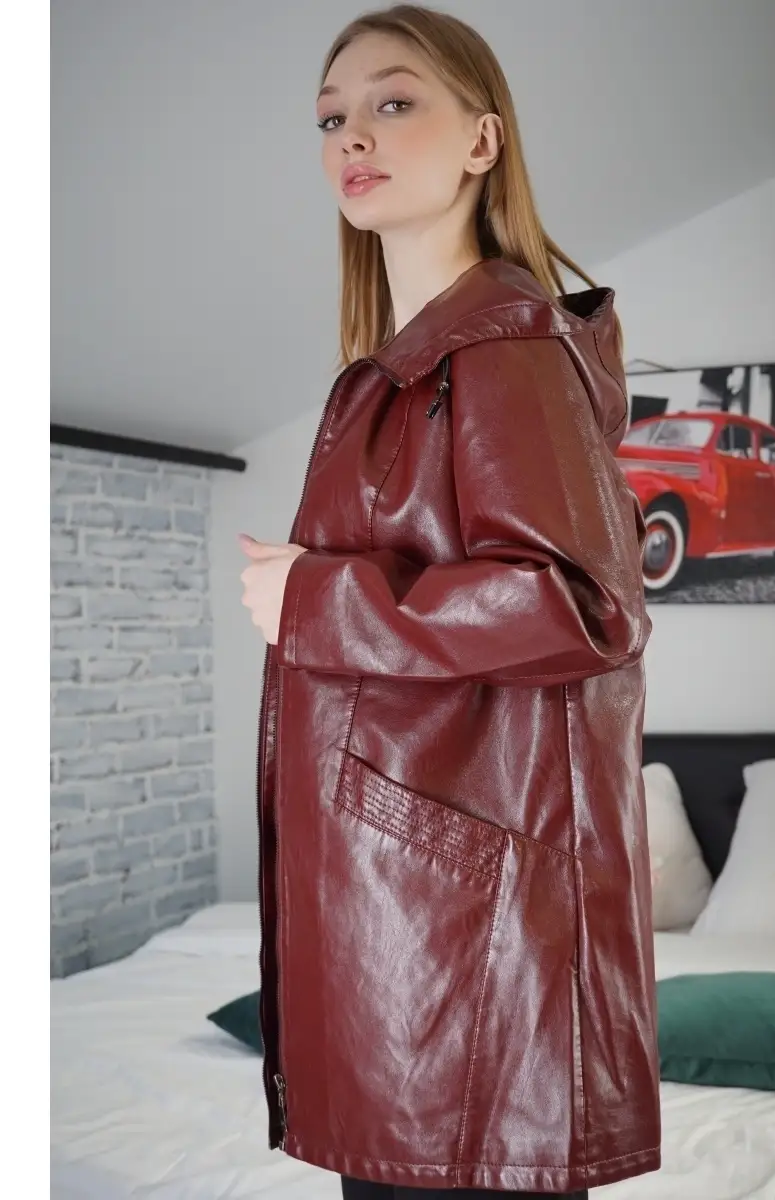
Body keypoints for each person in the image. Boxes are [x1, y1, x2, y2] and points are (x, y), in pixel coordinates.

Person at [238, 5, 660, 1197]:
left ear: (482, 141)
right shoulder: (413, 361)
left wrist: (316, 600)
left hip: (458, 939)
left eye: (393, 101)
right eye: (330, 117)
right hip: (409, 924)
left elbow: (582, 604)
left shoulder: (504, 343)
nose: (351, 135)